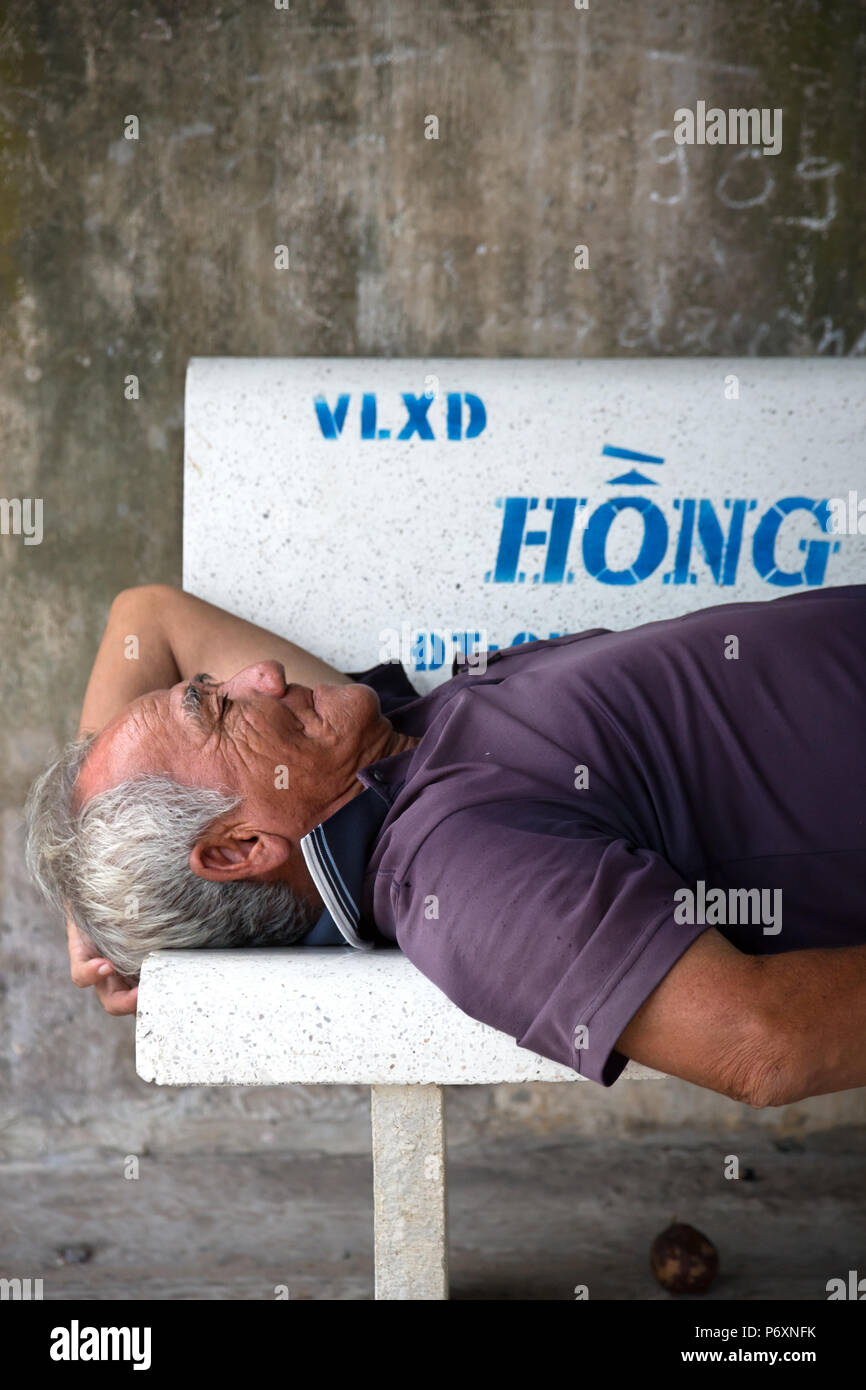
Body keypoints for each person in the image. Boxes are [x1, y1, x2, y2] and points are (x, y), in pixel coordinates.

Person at [25, 582, 866, 1106]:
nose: (263, 678)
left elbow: (148, 617)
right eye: (218, 709)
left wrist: (92, 901)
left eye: (214, 687)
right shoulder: (455, 867)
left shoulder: (369, 748)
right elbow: (762, 1047)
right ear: (242, 848)